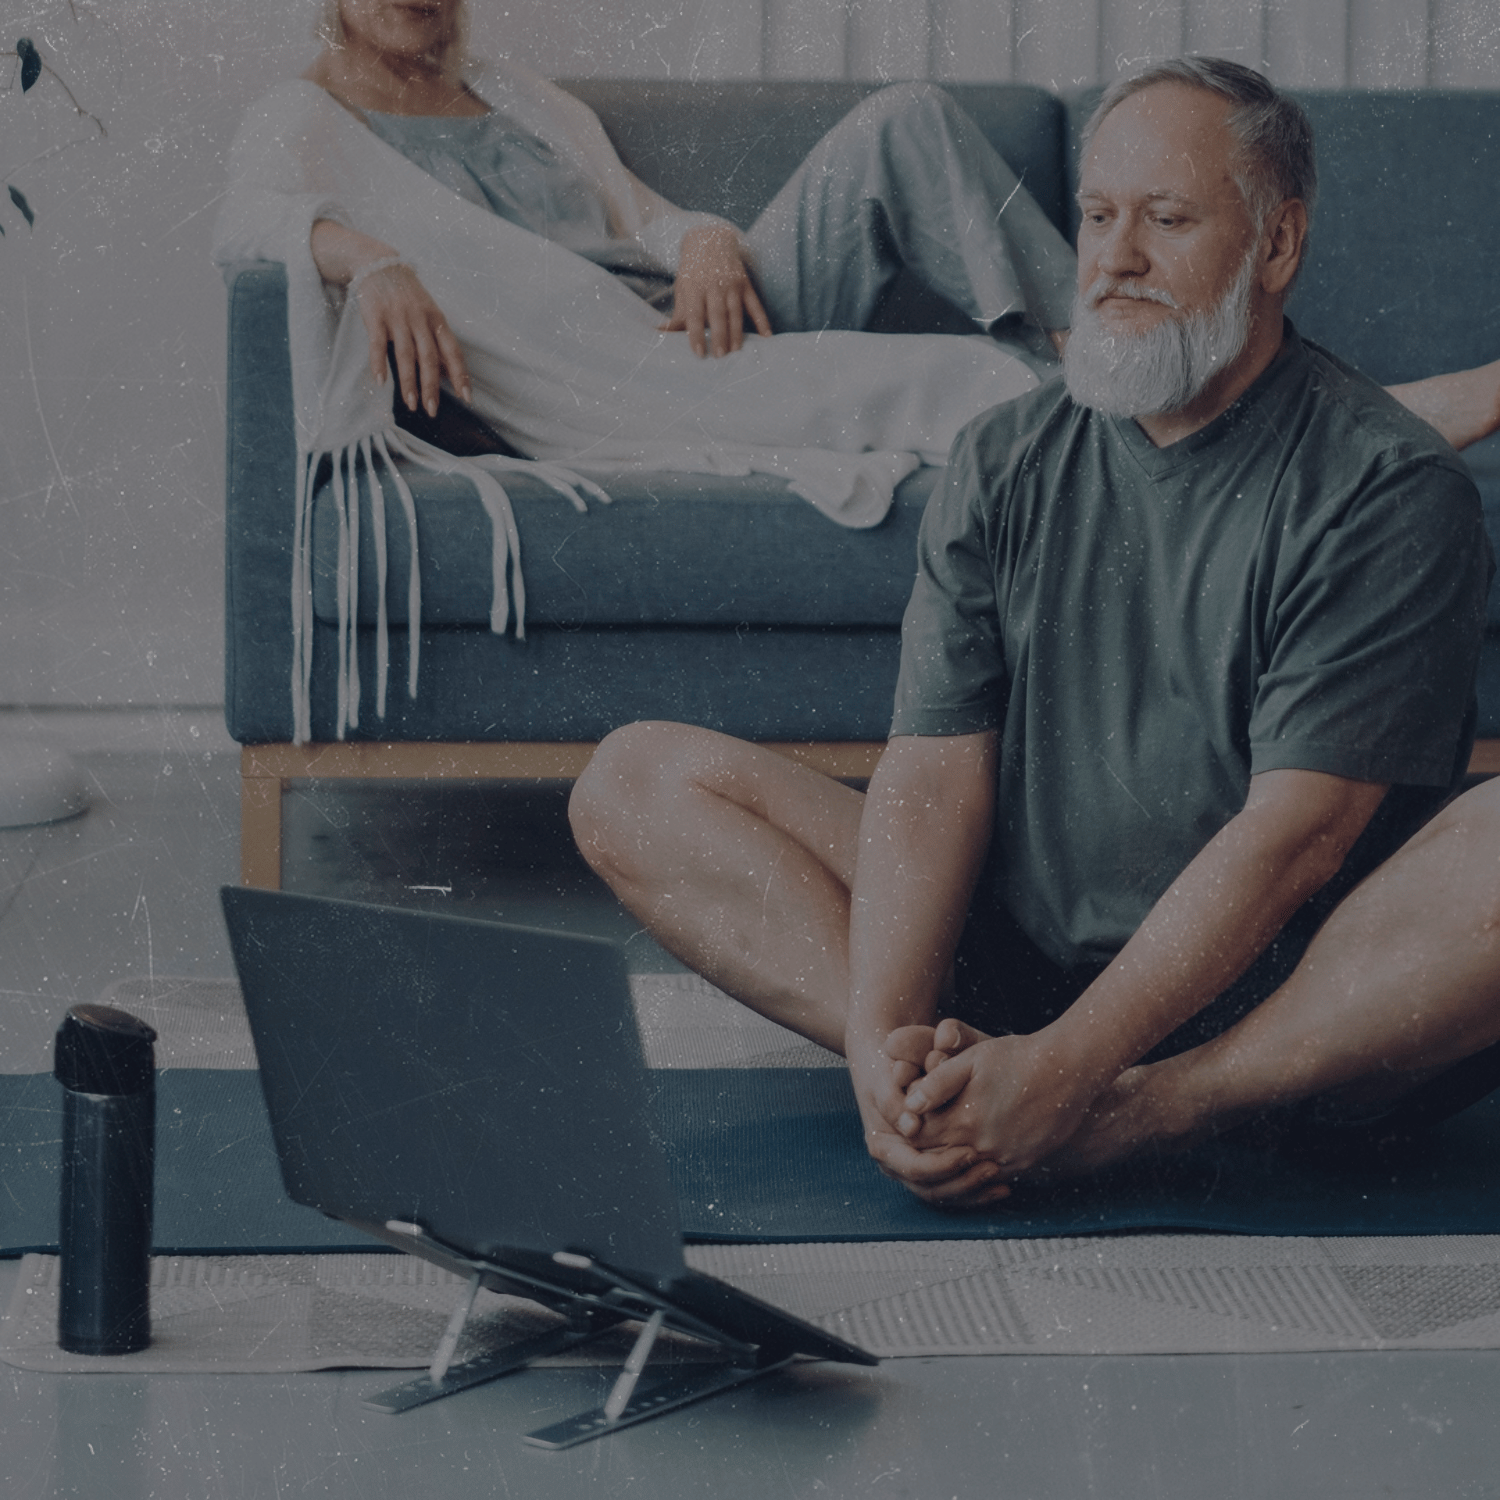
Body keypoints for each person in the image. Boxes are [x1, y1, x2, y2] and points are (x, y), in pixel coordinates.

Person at [570, 55, 1500, 1208]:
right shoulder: (1005, 455)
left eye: (1167, 219)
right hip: (1022, 967)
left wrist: (1077, 1072)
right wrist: (878, 1043)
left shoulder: (1391, 488)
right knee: (632, 783)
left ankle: (1148, 1111)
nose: (1113, 258)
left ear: (1276, 247)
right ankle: (946, 1088)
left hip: (1296, 1007)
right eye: (1099, 217)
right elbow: (929, 782)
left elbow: (1293, 843)